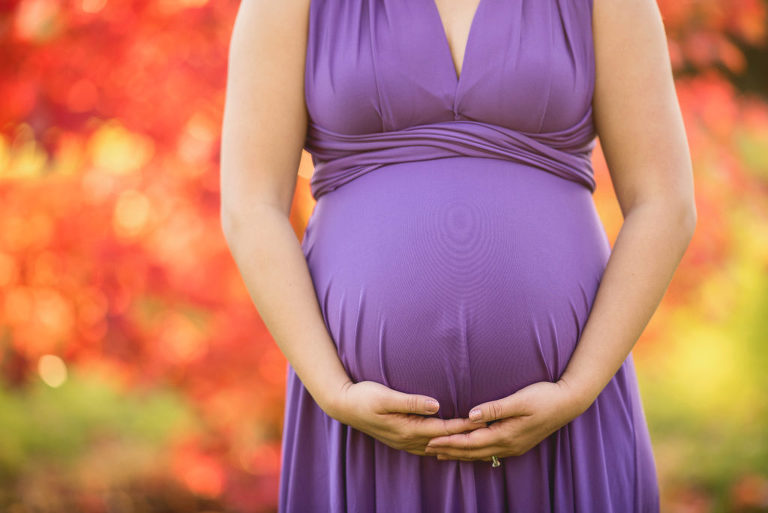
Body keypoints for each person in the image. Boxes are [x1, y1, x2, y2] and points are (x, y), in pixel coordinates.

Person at [220, 0, 696, 511]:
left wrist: (576, 390)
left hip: (565, 427)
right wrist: (332, 390)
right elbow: (252, 207)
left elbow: (663, 203)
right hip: (366, 436)